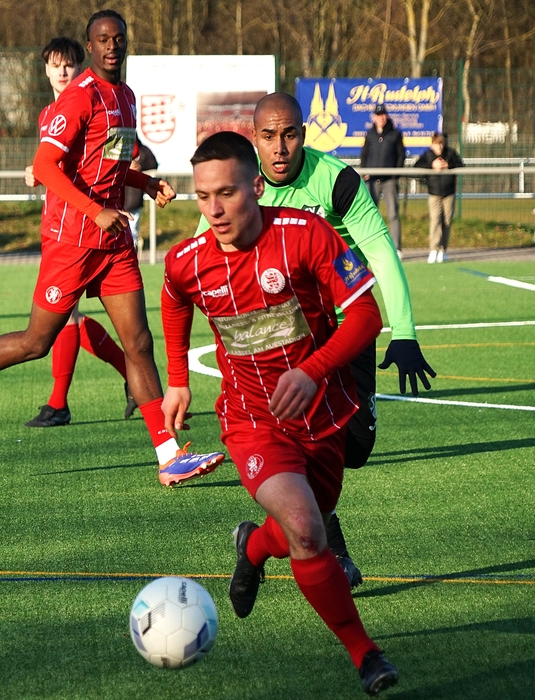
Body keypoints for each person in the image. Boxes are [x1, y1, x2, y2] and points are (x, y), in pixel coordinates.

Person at [0, 10, 224, 487]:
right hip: (71, 241)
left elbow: (107, 163)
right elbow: (44, 166)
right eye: (103, 39)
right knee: (37, 343)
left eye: (119, 38)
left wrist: (144, 182)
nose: (113, 46)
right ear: (90, 46)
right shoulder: (79, 98)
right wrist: (94, 210)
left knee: (139, 342)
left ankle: (168, 455)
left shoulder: (126, 96)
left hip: (112, 241)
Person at [162, 131, 399, 696]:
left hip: (324, 414)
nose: (214, 210)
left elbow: (366, 315)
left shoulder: (306, 234)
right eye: (203, 197)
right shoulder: (188, 261)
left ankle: (251, 547)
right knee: (308, 530)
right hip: (252, 421)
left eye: (227, 193)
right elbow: (172, 297)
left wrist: (312, 371)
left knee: (303, 524)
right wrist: (176, 379)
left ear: (257, 186)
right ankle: (365, 653)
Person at [195, 92, 436, 588]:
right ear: (254, 139)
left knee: (356, 445)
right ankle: (331, 549)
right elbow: (203, 259)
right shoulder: (240, 185)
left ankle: (258, 540)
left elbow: (380, 252)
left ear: (303, 134)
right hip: (278, 338)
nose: (280, 147)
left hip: (344, 330)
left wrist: (405, 331)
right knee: (298, 440)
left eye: (289, 135)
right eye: (268, 136)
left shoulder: (337, 180)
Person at [22, 35, 135, 429]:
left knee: (61, 321)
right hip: (61, 225)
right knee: (66, 318)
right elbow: (56, 165)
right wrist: (37, 172)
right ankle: (130, 376)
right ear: (45, 70)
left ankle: (59, 403)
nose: (62, 71)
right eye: (55, 65)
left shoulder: (94, 100)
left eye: (68, 64)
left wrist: (142, 182)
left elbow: (116, 160)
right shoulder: (47, 114)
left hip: (87, 228)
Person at [359, 104, 405, 255]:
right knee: (370, 214)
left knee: (393, 214)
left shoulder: (395, 134)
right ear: (374, 117)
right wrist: (364, 171)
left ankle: (397, 248)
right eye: (378, 115)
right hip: (372, 180)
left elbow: (401, 155)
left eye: (383, 114)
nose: (381, 118)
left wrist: (395, 175)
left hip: (389, 180)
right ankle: (369, 247)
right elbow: (365, 154)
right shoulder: (370, 134)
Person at [414, 133, 464, 263]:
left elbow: (460, 165)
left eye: (441, 143)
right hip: (434, 193)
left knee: (447, 221)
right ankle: (433, 249)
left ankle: (443, 250)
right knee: (435, 220)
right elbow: (416, 168)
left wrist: (448, 166)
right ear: (432, 145)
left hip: (449, 193)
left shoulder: (450, 153)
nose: (439, 147)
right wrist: (432, 165)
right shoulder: (427, 155)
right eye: (436, 144)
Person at [124, 142, 158, 249]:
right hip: (116, 198)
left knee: (132, 231)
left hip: (134, 198)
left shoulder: (143, 150)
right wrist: (125, 166)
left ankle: (132, 250)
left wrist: (141, 166)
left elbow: (153, 164)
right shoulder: (116, 148)